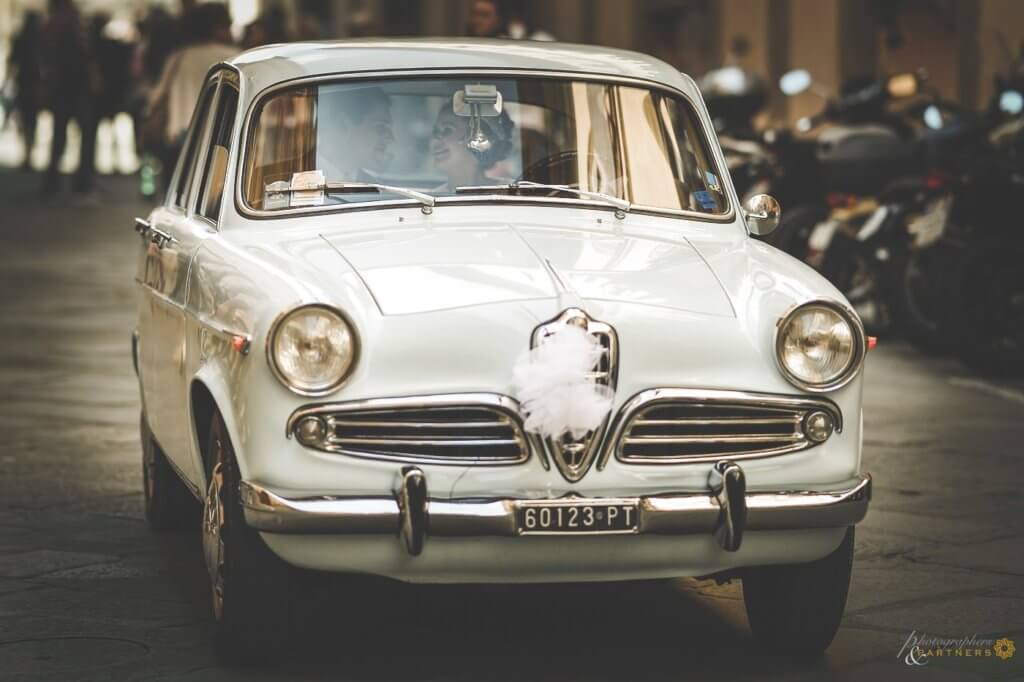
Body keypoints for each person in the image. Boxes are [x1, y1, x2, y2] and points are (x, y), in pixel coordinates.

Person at [145, 2, 236, 188]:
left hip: (181, 135)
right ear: (219, 27)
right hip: (223, 135)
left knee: (177, 193)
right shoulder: (235, 57)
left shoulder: (180, 57)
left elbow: (157, 96)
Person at [41, 0, 99, 196]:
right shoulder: (71, 23)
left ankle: (54, 183)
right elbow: (83, 57)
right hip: (74, 89)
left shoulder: (53, 25)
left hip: (64, 89)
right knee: (82, 133)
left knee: (60, 136)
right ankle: (81, 183)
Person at [430, 101, 513, 192]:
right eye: (435, 131)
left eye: (447, 129)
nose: (435, 139)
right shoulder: (431, 199)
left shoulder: (517, 194)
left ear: (479, 138)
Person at [319, 88, 395, 180]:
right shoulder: (299, 177)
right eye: (381, 127)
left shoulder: (374, 186)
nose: (391, 139)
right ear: (343, 126)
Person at [7, 11, 43, 170]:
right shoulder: (37, 40)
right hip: (32, 85)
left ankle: (27, 154)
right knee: (30, 120)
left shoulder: (22, 39)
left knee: (26, 119)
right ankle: (28, 154)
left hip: (26, 84)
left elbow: (12, 63)